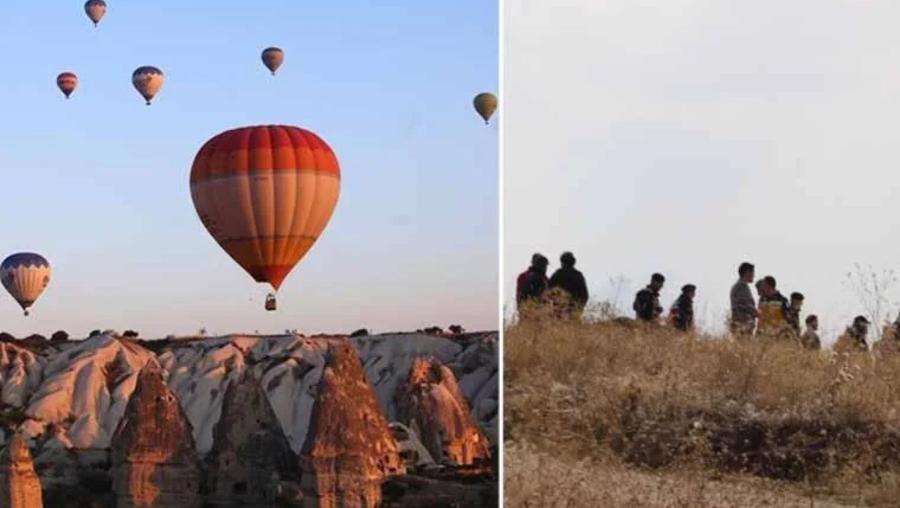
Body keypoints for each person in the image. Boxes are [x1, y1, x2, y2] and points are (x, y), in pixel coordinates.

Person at [548, 251, 589, 318]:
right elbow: (585, 295)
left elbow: (548, 292)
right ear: (573, 262)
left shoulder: (557, 274)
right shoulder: (578, 275)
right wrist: (579, 308)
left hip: (559, 311)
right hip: (572, 310)